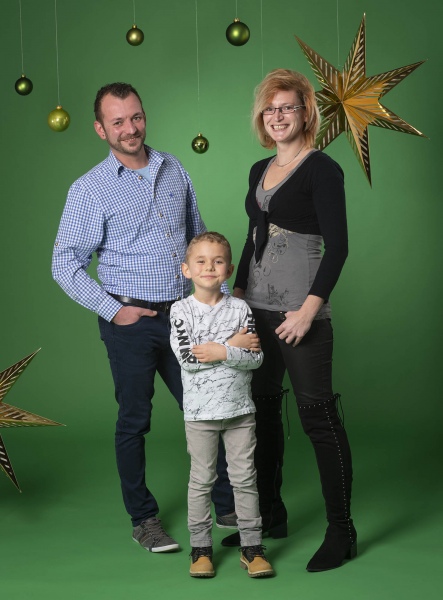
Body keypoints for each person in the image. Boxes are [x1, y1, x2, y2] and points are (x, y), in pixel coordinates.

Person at [52, 82, 242, 553]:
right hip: (131, 323)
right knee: (134, 420)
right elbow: (63, 263)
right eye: (117, 121)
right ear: (101, 129)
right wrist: (114, 311)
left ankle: (226, 505)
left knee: (207, 409)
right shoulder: (89, 189)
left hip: (186, 315)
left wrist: (212, 300)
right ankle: (143, 519)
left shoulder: (173, 167)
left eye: (135, 117)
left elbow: (199, 239)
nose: (130, 128)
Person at [222, 69, 356, 572]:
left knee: (318, 419)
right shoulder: (259, 167)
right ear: (263, 117)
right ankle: (270, 517)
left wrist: (309, 309)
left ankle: (342, 532)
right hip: (254, 312)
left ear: (305, 113)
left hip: (300, 314)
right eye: (270, 109)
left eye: (288, 108)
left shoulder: (322, 168)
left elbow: (339, 246)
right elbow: (253, 233)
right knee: (260, 411)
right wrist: (236, 294)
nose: (278, 116)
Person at [170, 232, 274, 578]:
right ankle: (200, 549)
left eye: (217, 261)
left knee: (245, 479)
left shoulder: (241, 308)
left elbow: (255, 359)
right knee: (202, 480)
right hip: (200, 414)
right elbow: (189, 358)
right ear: (187, 269)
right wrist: (231, 345)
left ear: (228, 269)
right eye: (201, 261)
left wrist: (219, 351)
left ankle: (252, 548)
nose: (209, 267)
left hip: (240, 411)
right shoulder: (181, 310)